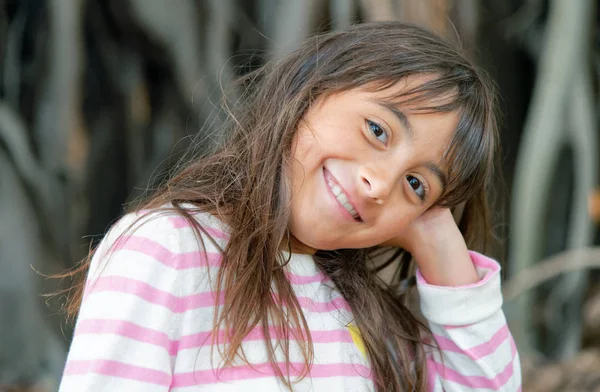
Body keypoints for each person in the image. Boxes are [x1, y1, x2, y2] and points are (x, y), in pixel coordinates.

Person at [57, 22, 521, 391]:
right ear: (310, 90)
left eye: (416, 185)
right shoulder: (167, 250)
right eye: (378, 130)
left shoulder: (371, 323)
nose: (379, 183)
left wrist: (442, 250)